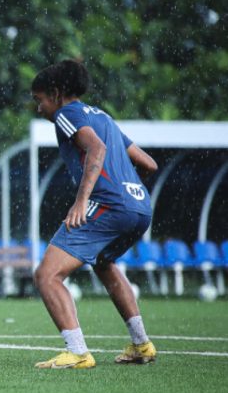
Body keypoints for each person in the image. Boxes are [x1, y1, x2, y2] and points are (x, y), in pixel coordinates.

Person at [30, 60, 159, 369]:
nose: (39, 109)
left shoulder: (65, 114)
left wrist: (81, 201)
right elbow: (149, 164)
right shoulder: (102, 116)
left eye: (40, 100)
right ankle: (141, 344)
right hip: (139, 207)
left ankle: (77, 352)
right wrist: (125, 188)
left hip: (107, 204)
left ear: (57, 93)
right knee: (104, 263)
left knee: (47, 275)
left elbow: (96, 150)